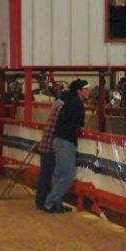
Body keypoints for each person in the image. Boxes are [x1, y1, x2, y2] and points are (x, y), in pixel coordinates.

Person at [43, 79, 90, 214]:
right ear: (79, 91)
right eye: (86, 89)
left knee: (59, 174)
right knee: (68, 175)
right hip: (66, 141)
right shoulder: (77, 105)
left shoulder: (68, 102)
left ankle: (55, 204)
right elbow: (78, 124)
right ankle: (50, 202)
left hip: (59, 140)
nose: (88, 92)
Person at [35, 98, 64, 210]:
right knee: (52, 177)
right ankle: (50, 203)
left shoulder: (53, 111)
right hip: (51, 149)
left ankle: (41, 201)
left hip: (44, 147)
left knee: (44, 177)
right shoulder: (60, 111)